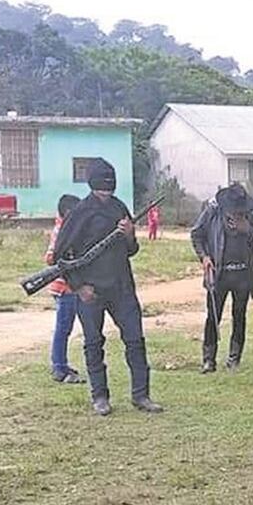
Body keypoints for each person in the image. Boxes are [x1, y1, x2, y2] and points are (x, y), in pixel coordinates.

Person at [54, 158, 163, 415]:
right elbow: (62, 254)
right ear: (92, 184)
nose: (106, 190)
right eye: (102, 185)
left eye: (110, 185)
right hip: (90, 290)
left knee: (135, 340)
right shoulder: (80, 212)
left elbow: (131, 250)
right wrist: (79, 286)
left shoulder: (119, 208)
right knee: (93, 343)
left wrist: (129, 234)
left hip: (122, 287)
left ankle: (141, 395)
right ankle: (100, 397)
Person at [191, 183, 253, 373]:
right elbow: (196, 235)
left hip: (243, 275)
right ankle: (208, 360)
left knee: (239, 316)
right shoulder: (212, 213)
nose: (237, 213)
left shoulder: (251, 217)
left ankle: (234, 359)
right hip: (218, 274)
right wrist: (204, 257)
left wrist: (248, 230)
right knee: (213, 316)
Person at [45, 194, 84, 384]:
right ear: (68, 213)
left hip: (67, 287)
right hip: (65, 288)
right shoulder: (62, 230)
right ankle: (59, 367)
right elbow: (50, 257)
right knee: (63, 329)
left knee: (64, 329)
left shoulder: (67, 228)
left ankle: (61, 364)